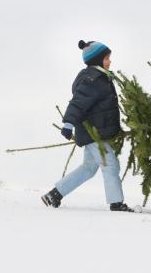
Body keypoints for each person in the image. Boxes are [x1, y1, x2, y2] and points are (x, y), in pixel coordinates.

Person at [40, 40, 134, 212]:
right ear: (97, 60)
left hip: (95, 131)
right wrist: (68, 123)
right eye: (106, 59)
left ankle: (55, 194)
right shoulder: (92, 80)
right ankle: (116, 203)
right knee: (110, 165)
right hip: (93, 133)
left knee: (89, 168)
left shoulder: (100, 77)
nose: (110, 61)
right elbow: (78, 103)